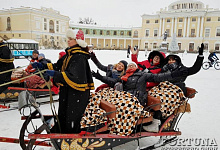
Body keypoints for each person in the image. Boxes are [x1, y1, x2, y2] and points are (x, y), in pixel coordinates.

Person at [143, 43, 204, 132]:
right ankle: (145, 118)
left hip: (176, 89)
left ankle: (156, 123)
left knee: (160, 99)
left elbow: (195, 68)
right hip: (163, 88)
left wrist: (200, 56)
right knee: (149, 96)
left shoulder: (182, 70)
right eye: (169, 60)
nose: (171, 61)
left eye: (173, 60)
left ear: (177, 61)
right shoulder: (164, 69)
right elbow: (155, 76)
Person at [44, 29, 94, 133]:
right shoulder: (70, 54)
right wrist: (43, 66)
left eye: (71, 39)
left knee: (71, 115)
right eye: (68, 39)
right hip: (68, 91)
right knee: (63, 112)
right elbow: (57, 66)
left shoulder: (79, 56)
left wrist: (55, 74)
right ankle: (63, 131)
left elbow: (74, 77)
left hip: (76, 93)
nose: (68, 41)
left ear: (78, 41)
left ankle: (71, 134)